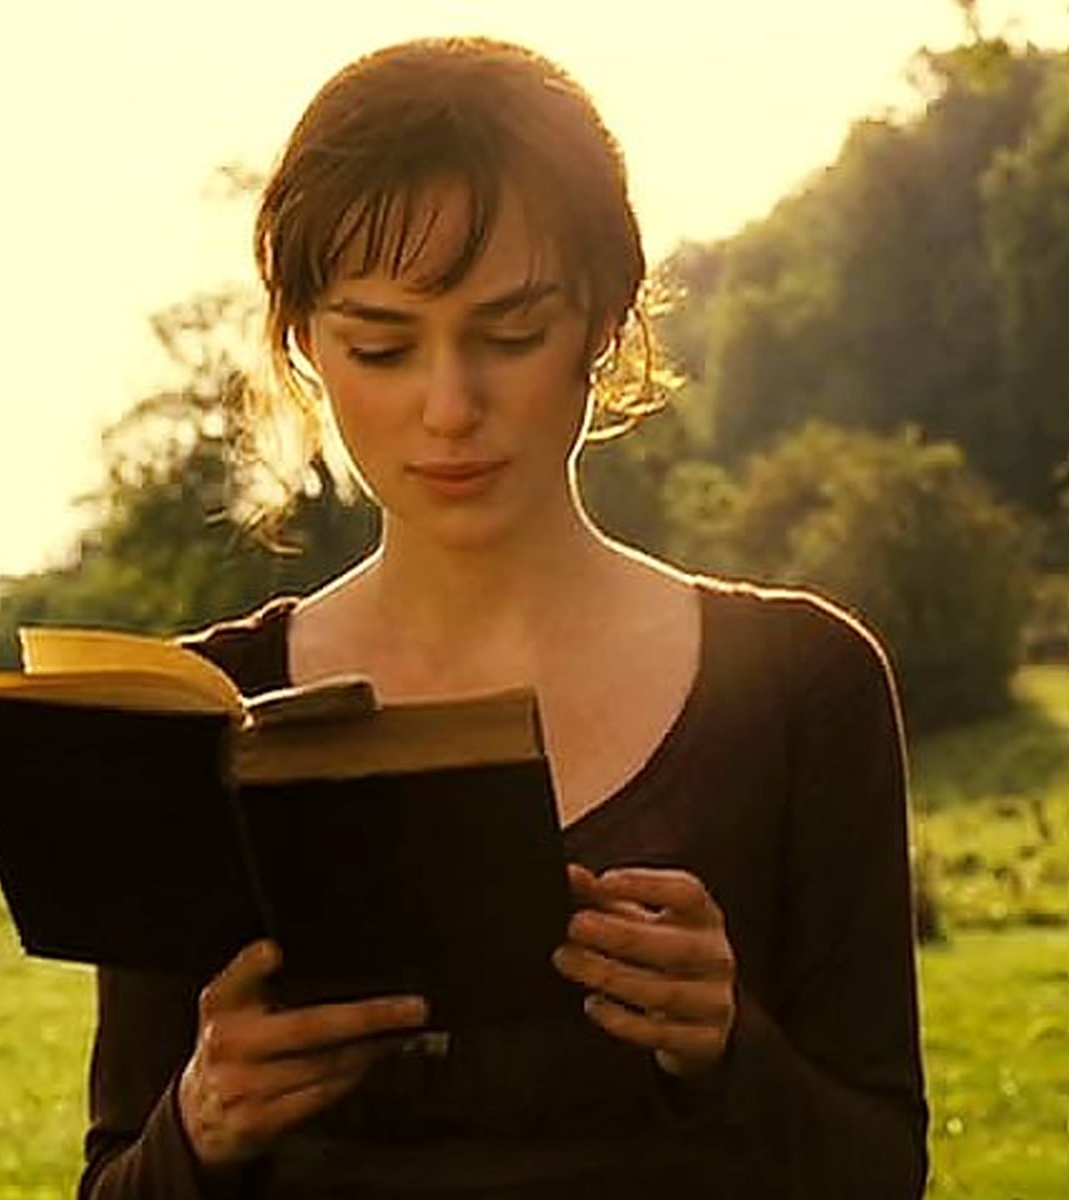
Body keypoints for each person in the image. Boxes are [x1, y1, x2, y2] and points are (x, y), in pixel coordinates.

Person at [78, 36, 928, 1199]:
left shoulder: (800, 686)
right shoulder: (199, 719)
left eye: (510, 334)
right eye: (381, 346)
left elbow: (881, 1172)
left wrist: (728, 1051)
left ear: (605, 321)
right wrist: (202, 1122)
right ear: (304, 349)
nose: (448, 407)